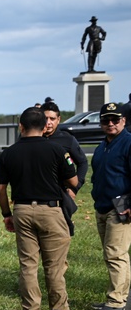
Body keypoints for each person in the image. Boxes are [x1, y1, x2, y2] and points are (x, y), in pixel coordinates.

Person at [0, 107, 84, 310]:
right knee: (54, 267)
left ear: (21, 126)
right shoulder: (56, 149)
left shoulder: (8, 153)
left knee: (28, 266)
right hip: (51, 210)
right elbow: (73, 181)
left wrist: (7, 214)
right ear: (45, 127)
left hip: (22, 210)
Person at [88, 103, 131, 310]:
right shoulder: (102, 146)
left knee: (116, 254)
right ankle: (120, 296)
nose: (110, 124)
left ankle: (116, 302)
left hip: (121, 205)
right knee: (113, 254)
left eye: (115, 119)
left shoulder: (129, 142)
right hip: (103, 205)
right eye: (106, 120)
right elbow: (97, 175)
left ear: (123, 120)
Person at [42, 99, 88, 236]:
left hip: (60, 196)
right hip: (37, 195)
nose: (48, 122)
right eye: (45, 118)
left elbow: (83, 163)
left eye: (52, 118)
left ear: (58, 119)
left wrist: (75, 187)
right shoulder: (31, 137)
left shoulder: (67, 140)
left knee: (60, 236)